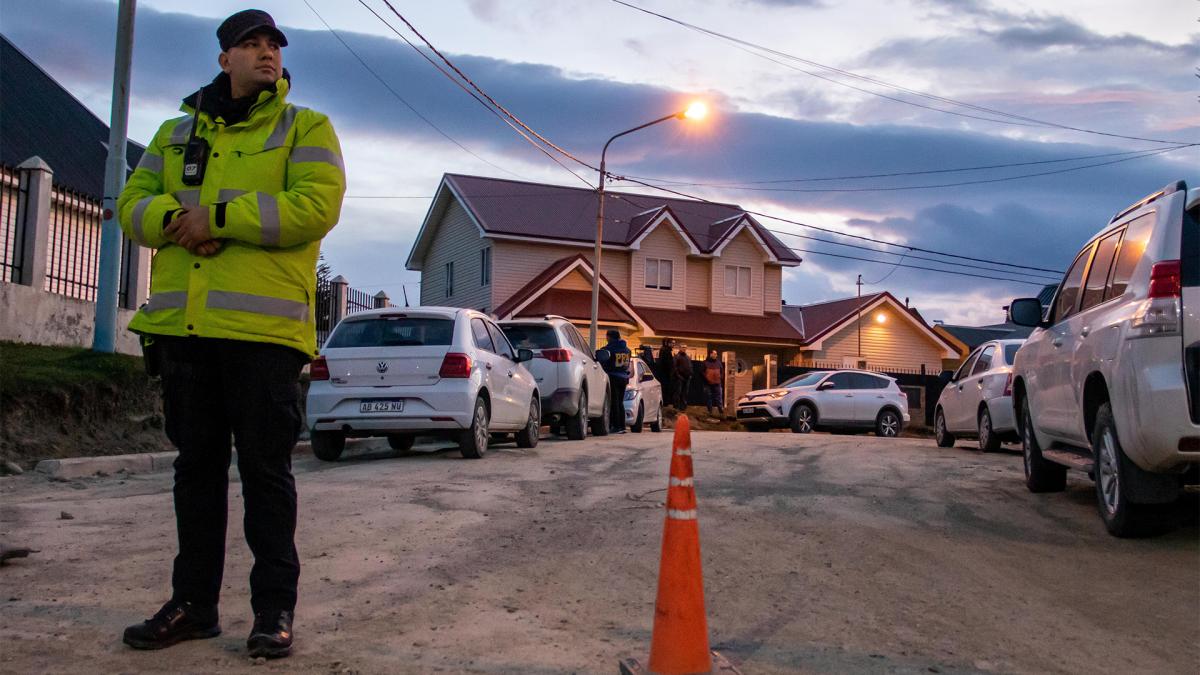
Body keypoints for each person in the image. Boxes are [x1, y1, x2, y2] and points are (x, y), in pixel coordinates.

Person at [116, 10, 345, 660]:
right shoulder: (175, 132)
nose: (267, 53)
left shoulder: (306, 127)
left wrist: (216, 217)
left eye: (273, 43)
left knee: (267, 474)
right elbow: (133, 201)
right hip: (186, 333)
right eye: (252, 43)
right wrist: (173, 218)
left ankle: (273, 611)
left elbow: (313, 206)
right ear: (225, 59)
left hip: (265, 338)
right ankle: (193, 603)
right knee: (196, 472)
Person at [601, 329, 632, 433]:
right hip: (623, 377)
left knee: (613, 402)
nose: (606, 338)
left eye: (607, 336)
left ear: (610, 337)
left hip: (612, 376)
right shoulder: (627, 350)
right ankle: (622, 426)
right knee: (620, 402)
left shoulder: (609, 349)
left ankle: (615, 426)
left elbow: (604, 362)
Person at [703, 350, 724, 416]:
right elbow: (701, 372)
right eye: (714, 354)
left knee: (719, 397)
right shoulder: (705, 363)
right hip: (708, 383)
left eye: (716, 354)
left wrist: (720, 378)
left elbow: (722, 371)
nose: (716, 355)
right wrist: (707, 379)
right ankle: (710, 411)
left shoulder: (718, 363)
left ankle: (721, 412)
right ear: (710, 354)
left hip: (717, 383)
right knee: (708, 397)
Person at [673, 345, 693, 410]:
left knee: (685, 393)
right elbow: (675, 367)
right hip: (680, 378)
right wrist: (678, 376)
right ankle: (676, 406)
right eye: (683, 347)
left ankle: (683, 407)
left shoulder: (687, 357)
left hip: (687, 378)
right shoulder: (677, 356)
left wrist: (690, 375)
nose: (684, 348)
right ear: (680, 348)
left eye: (685, 347)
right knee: (678, 392)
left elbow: (690, 366)